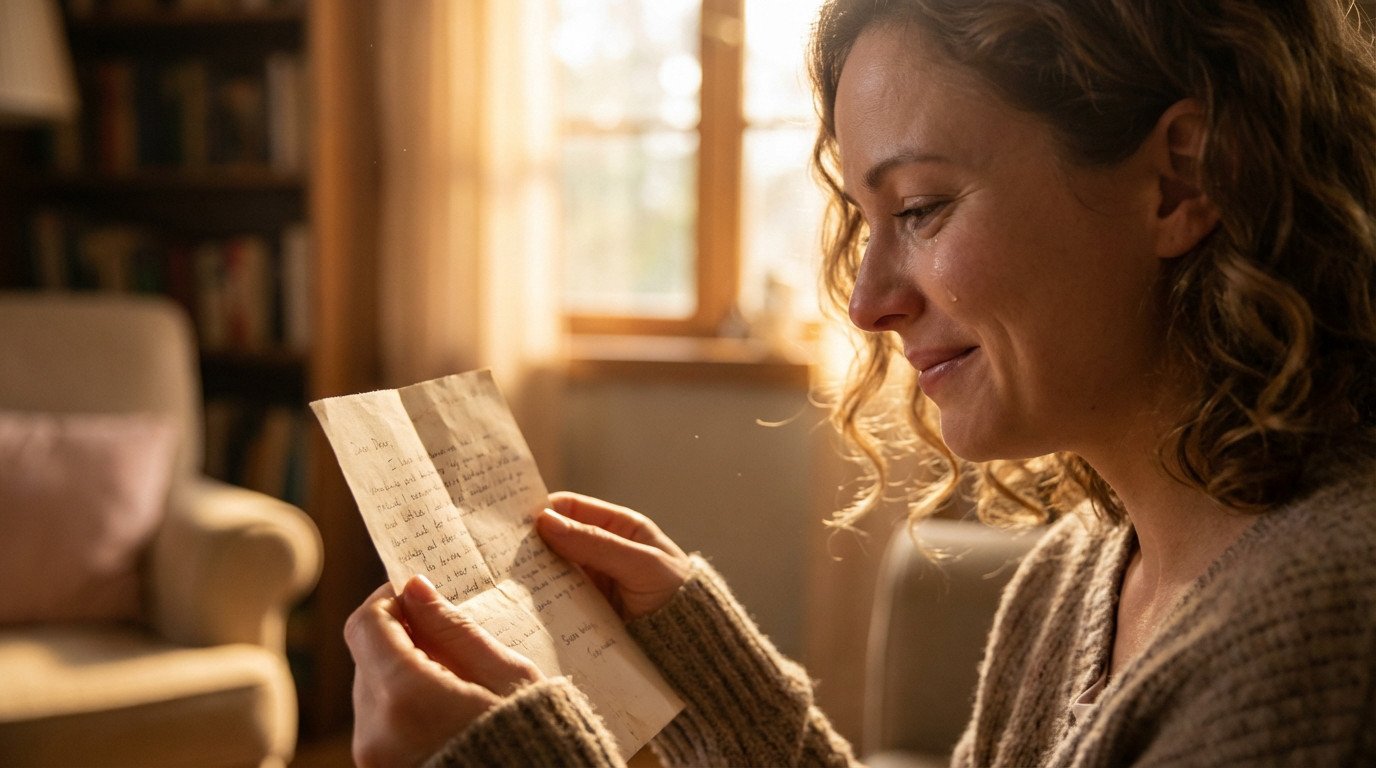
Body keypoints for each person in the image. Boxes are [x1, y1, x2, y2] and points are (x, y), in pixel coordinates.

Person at [345, 0, 1376, 765]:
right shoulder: (1080, 571)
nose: (867, 301)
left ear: (1178, 180)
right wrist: (715, 680)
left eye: (921, 208)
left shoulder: (1321, 624)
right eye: (865, 222)